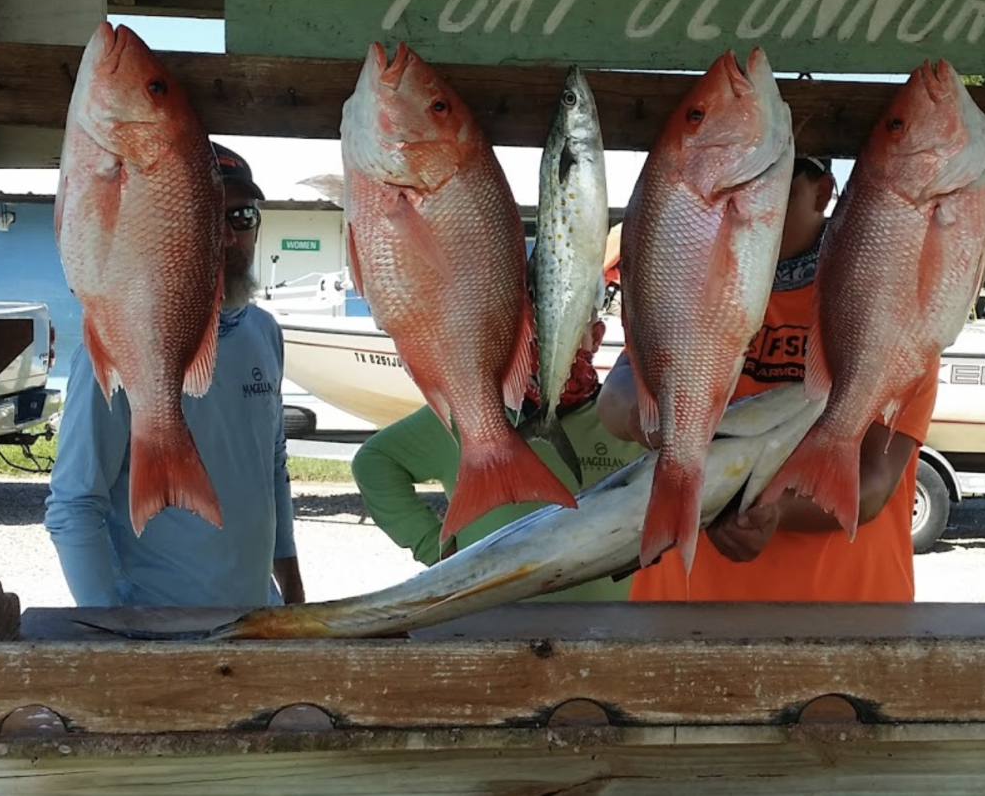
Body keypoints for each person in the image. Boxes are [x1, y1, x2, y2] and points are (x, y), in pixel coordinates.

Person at [595, 156, 936, 603]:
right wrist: (659, 424)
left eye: (777, 184)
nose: (754, 201)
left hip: (843, 627)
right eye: (740, 185)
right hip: (678, 616)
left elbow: (872, 480)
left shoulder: (883, 301)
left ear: (823, 192)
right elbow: (618, 391)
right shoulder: (698, 287)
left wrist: (772, 510)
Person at [44, 141, 306, 608]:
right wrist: (116, 634)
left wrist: (293, 594)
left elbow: (272, 468)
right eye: (207, 220)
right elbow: (74, 506)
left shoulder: (263, 332)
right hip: (160, 630)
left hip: (258, 622)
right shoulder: (118, 344)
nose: (228, 237)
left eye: (242, 217)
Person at [352, 324, 637, 600]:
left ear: (597, 336)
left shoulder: (628, 418)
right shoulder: (473, 415)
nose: (545, 341)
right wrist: (435, 550)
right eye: (527, 331)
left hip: (609, 624)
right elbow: (376, 461)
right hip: (488, 623)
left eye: (566, 326)